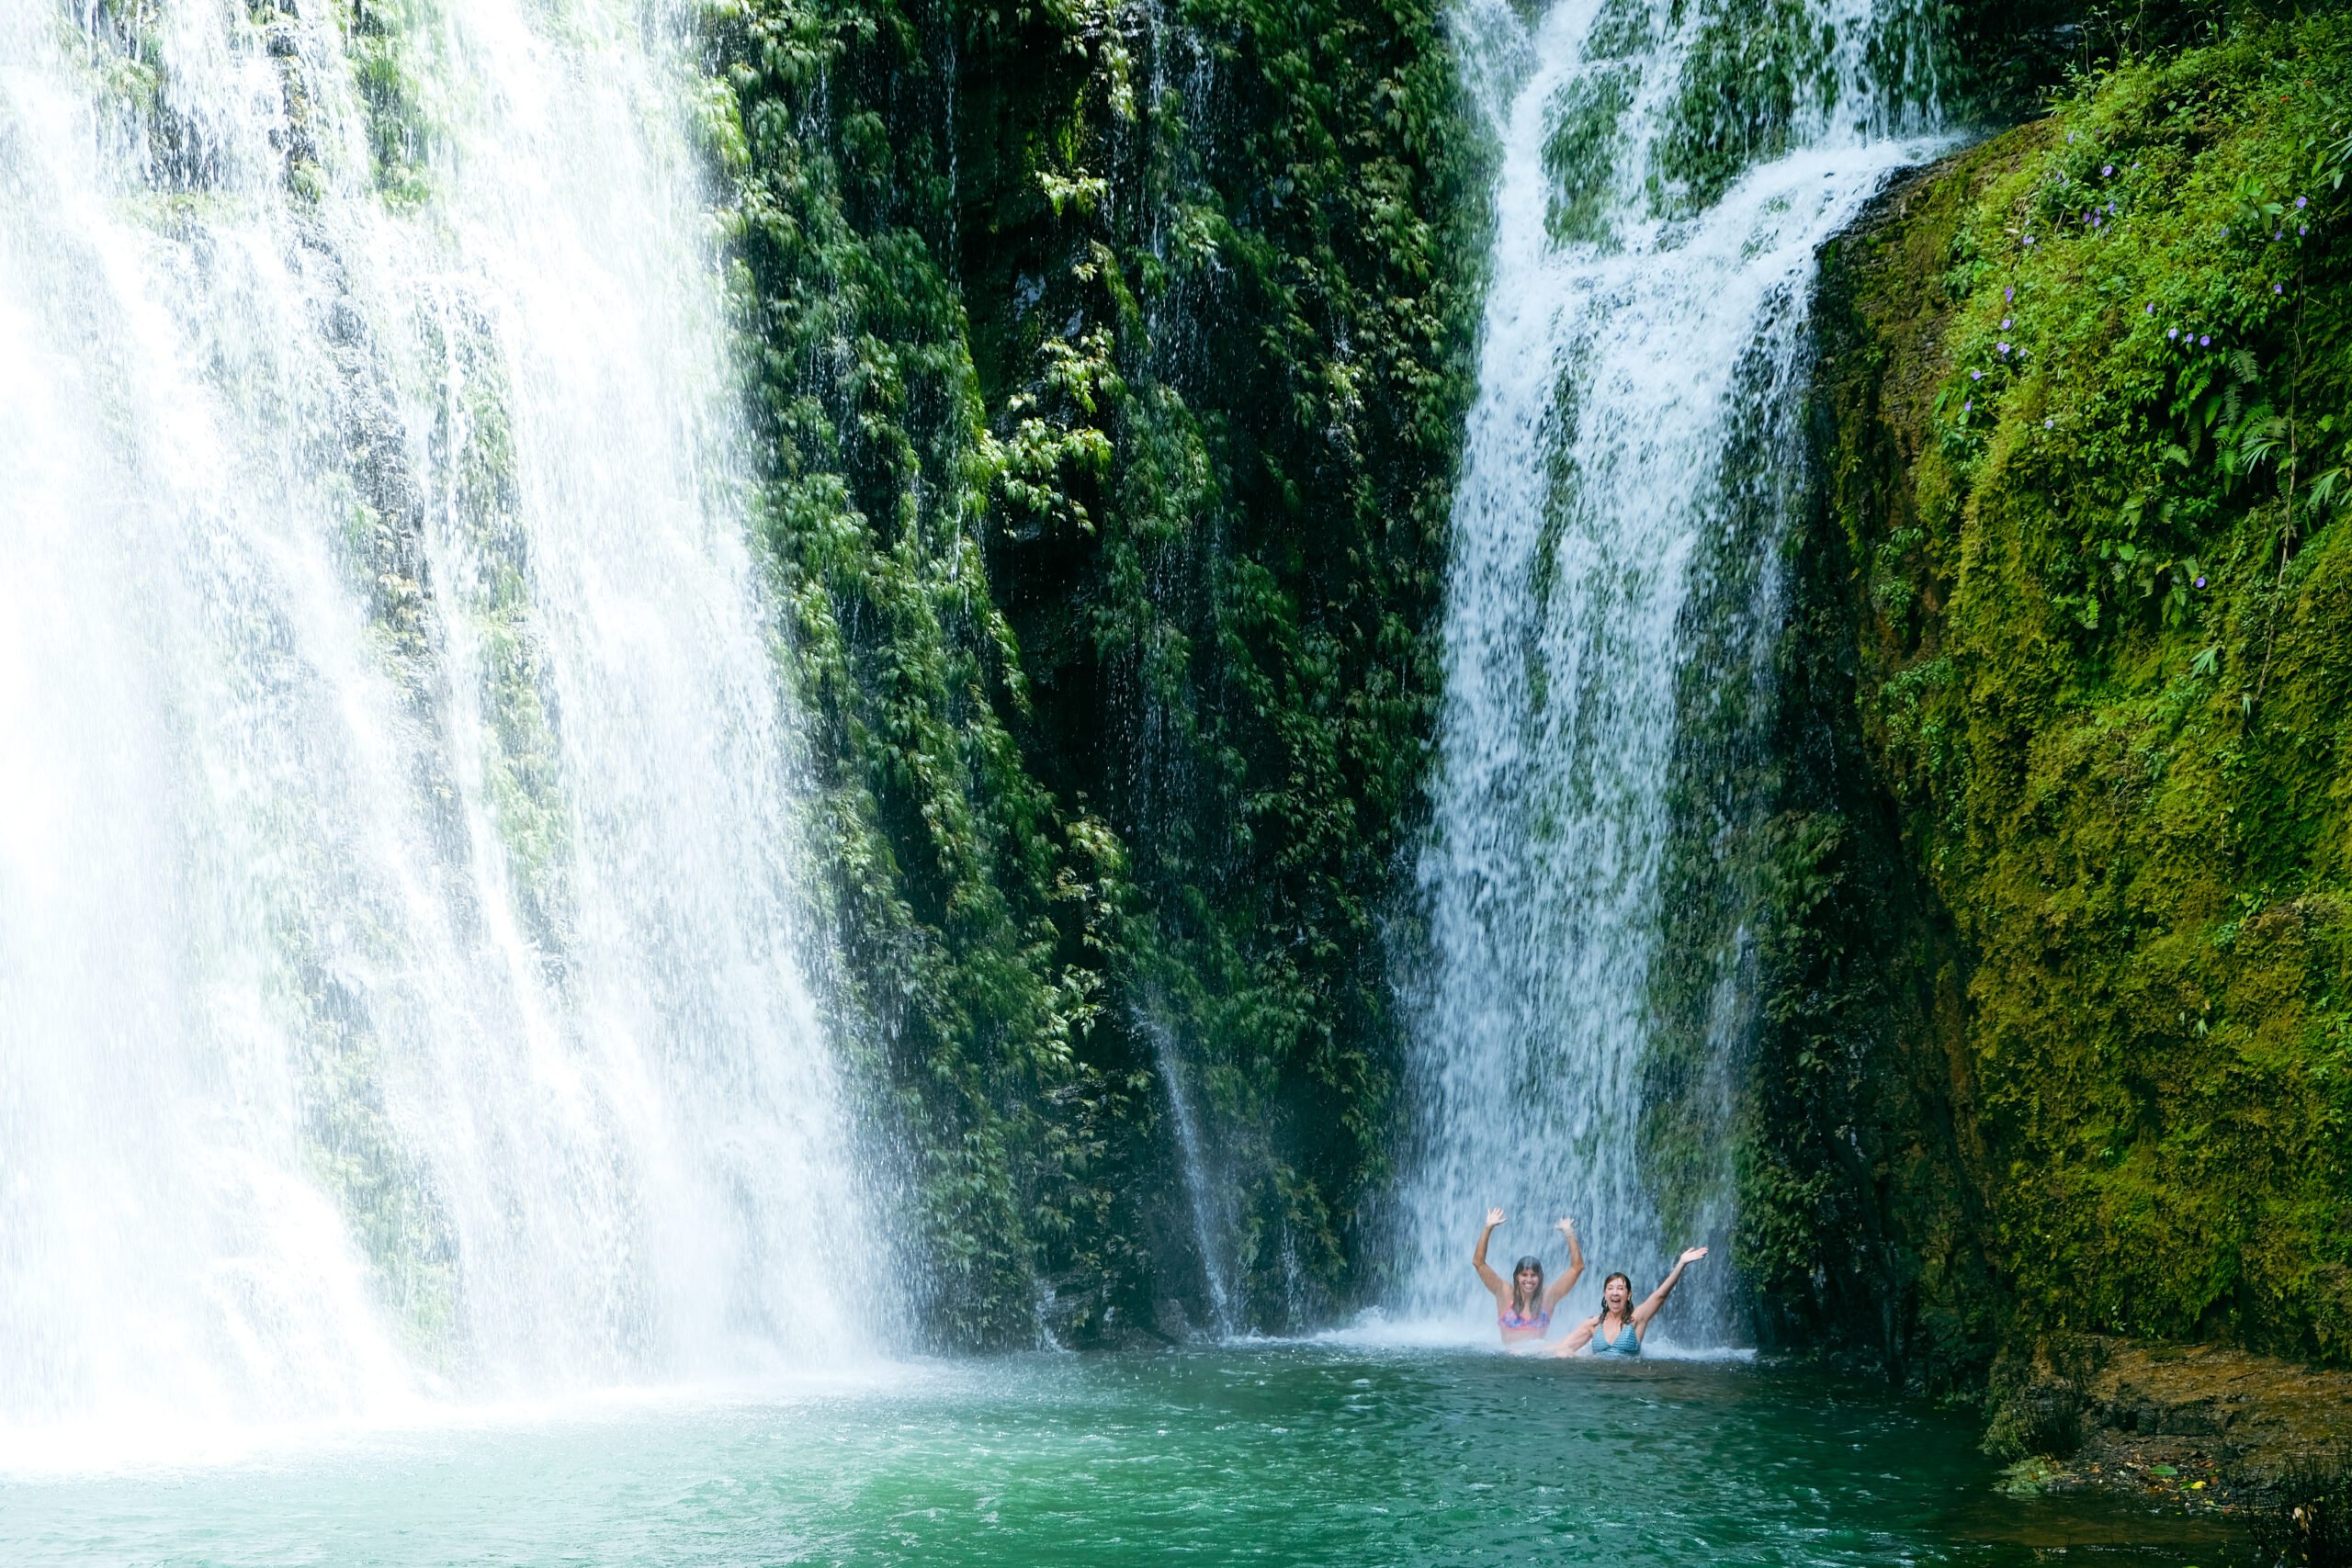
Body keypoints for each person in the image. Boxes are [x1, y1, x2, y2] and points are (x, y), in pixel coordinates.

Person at [1555, 1247, 1708, 1358]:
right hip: (1599, 1383)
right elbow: (1563, 1348)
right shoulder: (1594, 1324)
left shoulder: (1636, 1319)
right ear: (1605, 1293)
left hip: (1628, 1384)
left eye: (1620, 1288)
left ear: (1628, 1295)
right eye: (1611, 1288)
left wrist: (1681, 1264)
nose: (1615, 1292)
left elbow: (1660, 1295)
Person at [1473, 1208, 1583, 1347]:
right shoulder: (1504, 1292)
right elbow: (1478, 1263)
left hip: (1536, 1361)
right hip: (1508, 1361)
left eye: (1533, 1275)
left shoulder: (1548, 1296)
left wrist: (1569, 1232)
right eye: (1524, 1275)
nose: (1529, 1280)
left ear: (1540, 1277)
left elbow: (1577, 1268)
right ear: (1517, 1277)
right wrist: (1488, 1227)